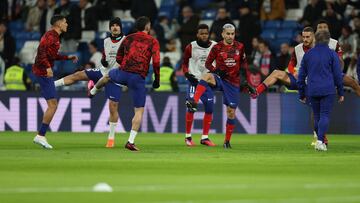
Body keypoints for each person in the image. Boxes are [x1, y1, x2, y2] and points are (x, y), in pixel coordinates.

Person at [89, 16, 160, 151]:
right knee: (139, 110)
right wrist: (156, 79)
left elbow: (119, 57)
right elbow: (156, 62)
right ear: (147, 27)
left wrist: (124, 66)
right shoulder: (153, 41)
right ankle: (130, 141)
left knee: (108, 75)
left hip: (123, 72)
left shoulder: (128, 38)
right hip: (138, 77)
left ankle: (93, 90)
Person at [54, 17, 125, 148]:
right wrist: (104, 61)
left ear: (121, 28)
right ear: (109, 28)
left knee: (113, 106)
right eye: (112, 25)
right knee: (77, 75)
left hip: (116, 77)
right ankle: (52, 85)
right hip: (103, 71)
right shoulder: (106, 41)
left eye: (117, 25)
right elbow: (105, 57)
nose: (115, 27)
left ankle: (111, 138)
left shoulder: (126, 41)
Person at [186, 24, 251, 149]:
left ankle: (227, 142)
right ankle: (194, 101)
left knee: (231, 112)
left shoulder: (240, 47)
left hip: (233, 83)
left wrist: (245, 82)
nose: (230, 36)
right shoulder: (217, 47)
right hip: (220, 78)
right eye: (228, 33)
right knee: (206, 76)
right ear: (222, 34)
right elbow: (208, 63)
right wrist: (216, 71)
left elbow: (244, 66)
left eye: (232, 34)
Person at [32, 15, 78, 149]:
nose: (67, 24)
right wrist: (47, 67)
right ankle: (40, 136)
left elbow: (51, 55)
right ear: (58, 24)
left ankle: (40, 135)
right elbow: (41, 52)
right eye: (65, 22)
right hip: (43, 72)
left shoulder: (54, 36)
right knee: (52, 105)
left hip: (42, 71)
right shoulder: (51, 36)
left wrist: (67, 57)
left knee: (53, 105)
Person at [297, 30, 344, 151]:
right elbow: (338, 75)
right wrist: (341, 91)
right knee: (324, 115)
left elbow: (301, 76)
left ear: (315, 39)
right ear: (328, 40)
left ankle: (320, 141)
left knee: (317, 116)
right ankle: (319, 141)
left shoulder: (308, 54)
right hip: (328, 89)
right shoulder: (332, 54)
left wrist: (301, 93)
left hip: (312, 90)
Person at [182, 24, 217, 147]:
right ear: (197, 34)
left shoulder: (215, 46)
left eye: (206, 33)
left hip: (206, 82)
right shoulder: (191, 46)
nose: (204, 36)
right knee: (192, 107)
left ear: (209, 34)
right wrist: (187, 74)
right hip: (194, 81)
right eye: (201, 33)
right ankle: (188, 137)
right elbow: (185, 63)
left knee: (210, 108)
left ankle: (205, 138)